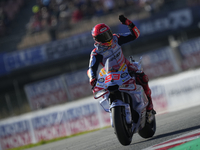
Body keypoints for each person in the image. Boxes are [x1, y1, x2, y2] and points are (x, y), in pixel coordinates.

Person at [87, 14, 156, 114]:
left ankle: (150, 106)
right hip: (109, 74)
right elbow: (91, 68)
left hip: (125, 66)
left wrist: (129, 23)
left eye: (108, 34)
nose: (108, 38)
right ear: (97, 39)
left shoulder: (116, 38)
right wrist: (93, 79)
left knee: (143, 78)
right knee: (104, 90)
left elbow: (135, 35)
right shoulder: (96, 53)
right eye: (104, 36)